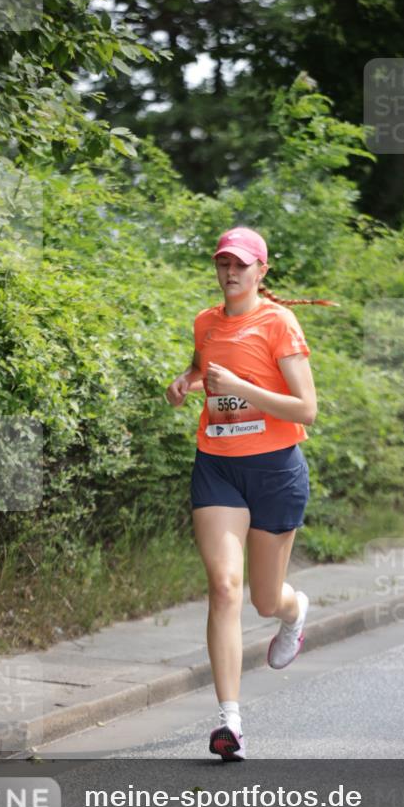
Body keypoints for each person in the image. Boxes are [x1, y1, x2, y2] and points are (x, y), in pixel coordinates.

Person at [165, 227, 338, 761]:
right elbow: (205, 369)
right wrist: (186, 382)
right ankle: (230, 724)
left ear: (262, 271)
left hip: (274, 471)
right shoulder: (205, 322)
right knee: (223, 586)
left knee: (264, 599)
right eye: (223, 263)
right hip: (217, 467)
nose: (231, 272)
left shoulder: (279, 323)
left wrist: (240, 388)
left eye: (242, 264)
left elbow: (305, 408)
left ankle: (293, 610)